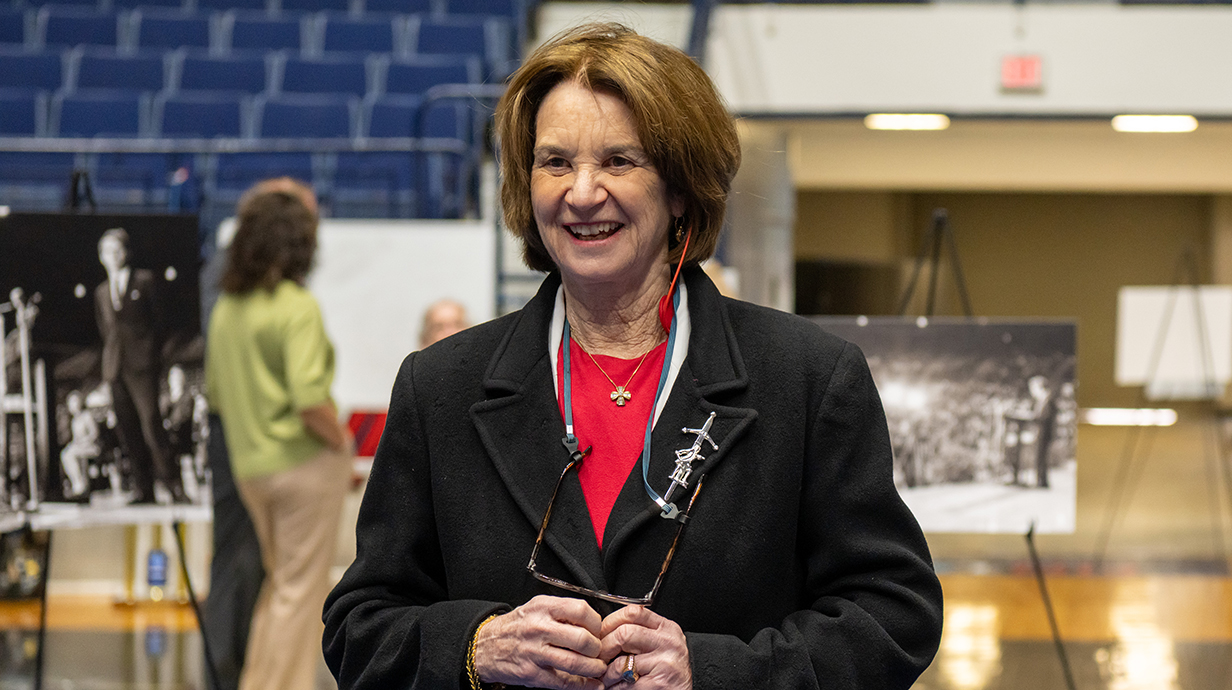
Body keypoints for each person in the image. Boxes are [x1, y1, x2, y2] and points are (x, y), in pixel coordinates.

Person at [323, 23, 943, 690]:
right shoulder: (440, 386)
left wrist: (713, 671)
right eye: (555, 162)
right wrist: (477, 647)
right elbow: (359, 627)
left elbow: (892, 615)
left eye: (619, 161)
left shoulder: (808, 379)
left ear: (679, 189)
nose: (582, 192)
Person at [206, 188, 353, 690]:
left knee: (278, 588)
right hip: (302, 466)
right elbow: (310, 398)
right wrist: (341, 441)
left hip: (250, 468)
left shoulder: (228, 308)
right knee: (301, 594)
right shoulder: (296, 307)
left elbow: (218, 397)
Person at [94, 227, 184, 504]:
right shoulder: (100, 292)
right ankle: (143, 489)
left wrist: (153, 355)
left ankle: (173, 485)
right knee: (128, 430)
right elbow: (104, 330)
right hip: (115, 368)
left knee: (151, 425)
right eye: (107, 251)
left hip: (143, 366)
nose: (113, 255)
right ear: (101, 257)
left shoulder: (145, 280)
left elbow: (161, 321)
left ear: (126, 252)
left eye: (117, 249)